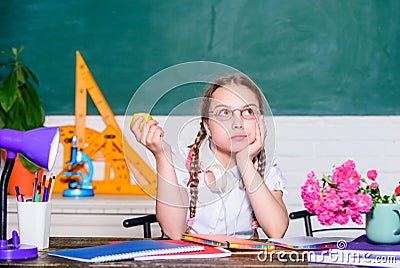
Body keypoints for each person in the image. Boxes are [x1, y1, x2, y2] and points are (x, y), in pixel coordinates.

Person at [131, 73, 288, 240]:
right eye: (224, 113)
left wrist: (245, 162)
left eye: (248, 111)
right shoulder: (184, 162)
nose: (237, 123)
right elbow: (173, 231)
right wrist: (162, 155)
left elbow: (276, 230)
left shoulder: (265, 167)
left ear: (260, 122)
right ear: (208, 126)